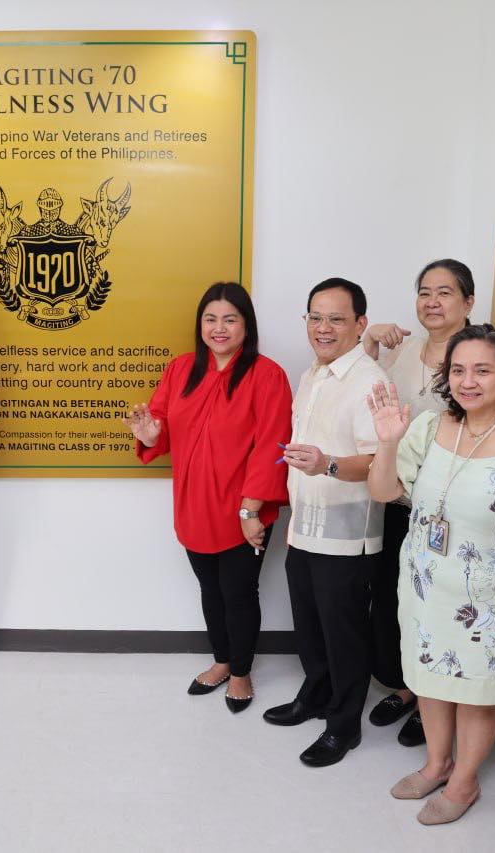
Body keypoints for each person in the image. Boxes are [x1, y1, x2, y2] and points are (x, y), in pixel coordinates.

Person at [367, 324, 495, 825]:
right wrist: (388, 443)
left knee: (478, 695)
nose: (468, 381)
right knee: (431, 683)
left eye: (482, 370)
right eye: (458, 370)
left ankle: (464, 781)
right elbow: (383, 491)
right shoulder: (430, 427)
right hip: (425, 590)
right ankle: (437, 764)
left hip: (491, 602)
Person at [126, 283, 291, 712]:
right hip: (193, 504)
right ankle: (222, 660)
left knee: (239, 593)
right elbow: (161, 424)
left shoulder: (267, 375)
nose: (219, 328)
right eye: (211, 319)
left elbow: (272, 444)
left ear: (246, 325)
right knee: (210, 590)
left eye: (230, 319)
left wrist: (251, 510)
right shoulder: (181, 370)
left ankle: (241, 673)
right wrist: (150, 433)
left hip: (242, 510)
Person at [262, 278, 388, 767]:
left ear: (360, 324)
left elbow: (379, 463)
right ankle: (314, 695)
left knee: (344, 636)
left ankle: (343, 726)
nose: (323, 328)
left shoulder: (371, 381)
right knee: (310, 627)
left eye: (336, 318)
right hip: (304, 528)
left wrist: (327, 465)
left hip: (346, 537)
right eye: (315, 317)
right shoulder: (312, 374)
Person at [359, 259, 474, 747]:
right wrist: (370, 342)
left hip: (453, 509)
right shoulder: (403, 350)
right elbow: (369, 394)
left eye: (445, 292)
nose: (432, 301)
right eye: (425, 291)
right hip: (400, 499)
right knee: (395, 600)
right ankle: (407, 687)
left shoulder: (478, 352)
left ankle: (438, 700)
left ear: (468, 302)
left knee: (443, 605)